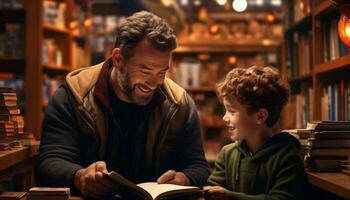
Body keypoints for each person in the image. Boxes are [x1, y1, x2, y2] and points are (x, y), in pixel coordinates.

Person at [36, 11, 210, 198]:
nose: (154, 83)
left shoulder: (179, 103)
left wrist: (185, 178)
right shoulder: (73, 96)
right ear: (118, 59)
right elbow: (49, 161)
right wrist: (79, 176)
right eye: (145, 70)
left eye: (162, 72)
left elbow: (199, 166)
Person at [204, 66, 309, 200]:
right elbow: (212, 191)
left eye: (231, 111)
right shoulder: (227, 154)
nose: (225, 117)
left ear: (260, 116)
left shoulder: (286, 156)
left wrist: (231, 197)